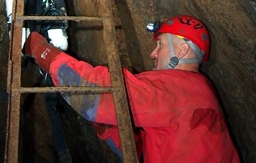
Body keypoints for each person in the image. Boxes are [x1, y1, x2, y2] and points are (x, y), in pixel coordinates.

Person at [23, 15, 240, 162]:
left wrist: (42, 51)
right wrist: (108, 126)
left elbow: (93, 91)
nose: (153, 54)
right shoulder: (196, 94)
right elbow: (143, 151)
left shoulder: (179, 89)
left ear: (182, 50)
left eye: (160, 45)